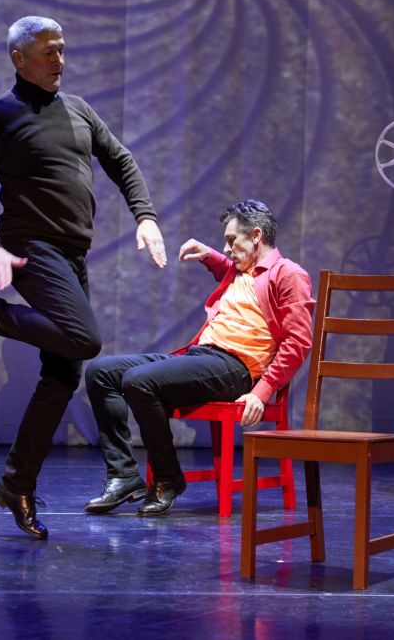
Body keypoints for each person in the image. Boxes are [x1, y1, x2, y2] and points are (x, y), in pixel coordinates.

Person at [0, 15, 166, 539]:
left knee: (62, 375)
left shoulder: (78, 109)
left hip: (72, 254)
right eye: (48, 52)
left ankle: (17, 483)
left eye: (62, 50)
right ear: (18, 59)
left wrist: (145, 217)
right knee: (85, 339)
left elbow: (120, 159)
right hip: (30, 249)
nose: (59, 61)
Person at [84, 200, 314, 515]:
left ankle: (168, 479)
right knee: (100, 371)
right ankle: (123, 475)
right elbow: (228, 268)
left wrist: (262, 392)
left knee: (138, 381)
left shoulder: (289, 274)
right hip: (200, 357)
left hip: (235, 369)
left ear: (256, 235)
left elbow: (298, 341)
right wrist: (209, 255)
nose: (227, 248)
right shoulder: (239, 271)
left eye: (232, 240)